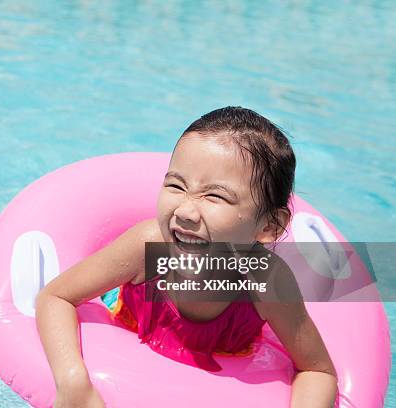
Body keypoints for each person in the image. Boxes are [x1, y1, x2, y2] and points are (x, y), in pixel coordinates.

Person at [35, 107, 338, 408]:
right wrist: (73, 381)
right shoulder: (147, 247)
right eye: (176, 186)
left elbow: (317, 369)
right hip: (127, 343)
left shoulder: (267, 281)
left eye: (215, 196)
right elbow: (56, 297)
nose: (185, 211)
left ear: (269, 226)